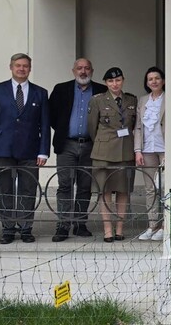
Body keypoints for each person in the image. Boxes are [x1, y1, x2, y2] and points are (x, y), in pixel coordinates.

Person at [0, 53, 50, 244]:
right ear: (11, 67)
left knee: (28, 190)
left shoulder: (40, 92)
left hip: (30, 150)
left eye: (25, 66)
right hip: (2, 148)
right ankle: (8, 229)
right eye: (18, 65)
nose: (22, 69)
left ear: (30, 68)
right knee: (5, 189)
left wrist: (43, 151)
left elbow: (44, 125)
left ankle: (26, 228)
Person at [48, 57, 106, 242]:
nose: (83, 71)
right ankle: (63, 225)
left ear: (92, 70)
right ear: (73, 70)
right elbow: (51, 115)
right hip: (66, 144)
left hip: (91, 145)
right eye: (79, 68)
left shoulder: (100, 90)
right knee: (65, 185)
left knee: (84, 186)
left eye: (87, 68)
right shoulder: (61, 89)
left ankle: (80, 224)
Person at [88, 67, 137, 243]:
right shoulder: (98, 100)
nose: (114, 84)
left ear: (123, 80)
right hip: (103, 153)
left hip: (125, 151)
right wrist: (104, 142)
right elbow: (92, 128)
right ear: (106, 83)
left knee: (123, 191)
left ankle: (119, 229)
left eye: (117, 80)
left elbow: (134, 125)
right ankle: (108, 230)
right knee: (105, 191)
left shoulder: (131, 100)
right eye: (110, 81)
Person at [134, 67, 166, 241]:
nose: (153, 81)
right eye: (150, 79)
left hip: (164, 149)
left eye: (157, 78)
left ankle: (165, 225)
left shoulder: (169, 98)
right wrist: (137, 150)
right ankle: (152, 225)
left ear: (163, 81)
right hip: (147, 149)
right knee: (150, 189)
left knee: (165, 188)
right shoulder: (143, 100)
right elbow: (138, 126)